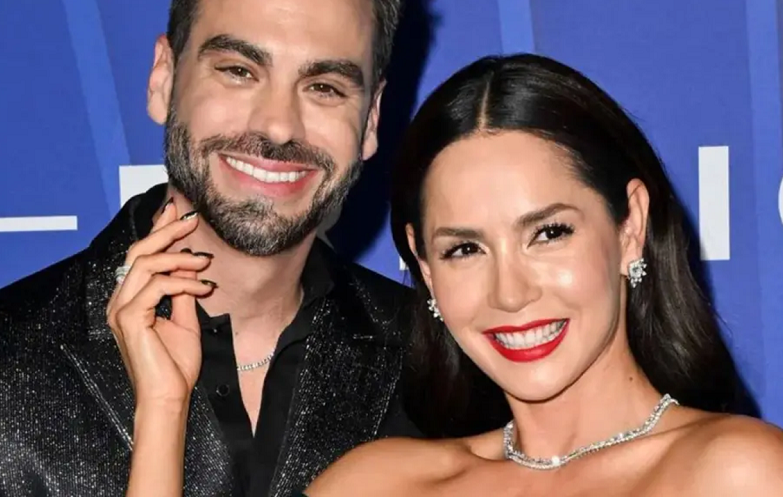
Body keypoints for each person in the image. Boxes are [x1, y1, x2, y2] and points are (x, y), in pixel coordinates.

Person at [118, 53, 783, 495]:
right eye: (465, 248)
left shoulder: (737, 472)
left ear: (629, 226)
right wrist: (164, 408)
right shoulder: (377, 483)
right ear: (424, 268)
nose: (510, 293)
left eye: (548, 233)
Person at [0, 0, 453, 495]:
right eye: (239, 71)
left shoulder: (444, 365)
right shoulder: (12, 355)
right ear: (164, 78)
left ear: (370, 119)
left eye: (324, 87)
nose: (278, 127)